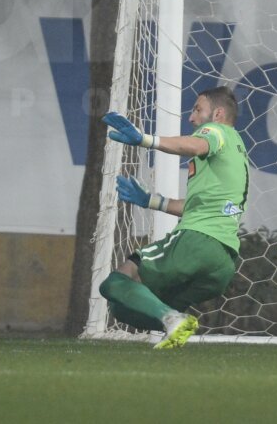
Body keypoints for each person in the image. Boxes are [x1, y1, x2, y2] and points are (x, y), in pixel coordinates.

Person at [99, 86, 249, 349]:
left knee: (115, 282)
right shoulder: (238, 148)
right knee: (124, 310)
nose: (191, 118)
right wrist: (150, 200)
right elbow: (197, 207)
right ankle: (175, 321)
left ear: (218, 113)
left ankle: (172, 318)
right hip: (223, 263)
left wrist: (146, 139)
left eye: (197, 110)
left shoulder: (216, 132)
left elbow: (194, 144)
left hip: (196, 243)